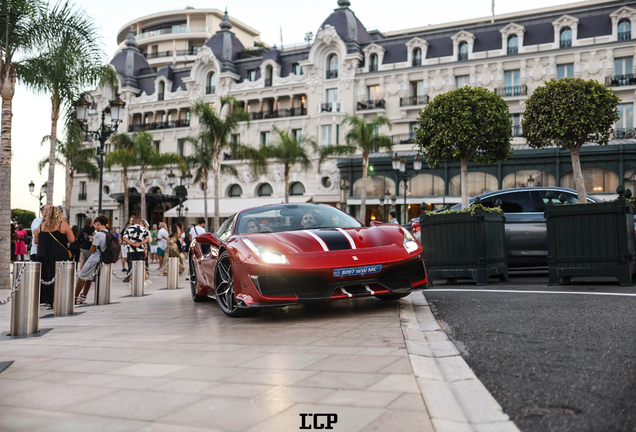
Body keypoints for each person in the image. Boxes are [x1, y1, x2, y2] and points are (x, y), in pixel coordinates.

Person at [34, 206, 74, 310]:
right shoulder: (62, 225)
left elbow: (36, 241)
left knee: (45, 276)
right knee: (58, 276)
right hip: (59, 254)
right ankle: (58, 298)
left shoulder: (41, 226)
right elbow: (72, 239)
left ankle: (47, 301)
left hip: (43, 254)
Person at [74, 215, 109, 306]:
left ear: (98, 223)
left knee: (81, 276)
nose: (94, 227)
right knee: (89, 277)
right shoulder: (107, 233)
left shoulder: (99, 234)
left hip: (94, 259)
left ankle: (74, 297)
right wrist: (93, 240)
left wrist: (93, 241)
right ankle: (83, 297)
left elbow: (92, 250)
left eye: (95, 225)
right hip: (102, 259)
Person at [122, 217, 150, 283]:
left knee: (131, 265)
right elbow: (147, 239)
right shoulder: (143, 229)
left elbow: (124, 238)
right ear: (139, 221)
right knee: (141, 265)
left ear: (132, 222)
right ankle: (141, 279)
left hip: (130, 250)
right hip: (140, 250)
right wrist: (140, 243)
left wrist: (132, 244)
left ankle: (133, 279)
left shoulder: (128, 229)